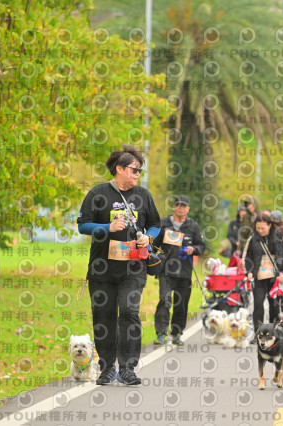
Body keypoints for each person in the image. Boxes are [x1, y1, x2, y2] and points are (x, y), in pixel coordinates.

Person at [77, 144, 161, 386]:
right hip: (102, 268)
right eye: (134, 170)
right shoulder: (98, 193)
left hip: (133, 268)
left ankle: (127, 368)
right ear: (120, 169)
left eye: (140, 171)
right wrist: (107, 227)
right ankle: (106, 368)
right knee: (104, 316)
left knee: (129, 312)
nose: (137, 175)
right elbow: (83, 225)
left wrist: (148, 237)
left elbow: (156, 224)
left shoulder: (143, 196)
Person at [153, 195, 206, 345]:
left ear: (188, 209)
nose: (181, 208)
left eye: (184, 206)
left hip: (184, 271)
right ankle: (161, 333)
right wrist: (154, 259)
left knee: (181, 304)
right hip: (166, 270)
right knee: (164, 300)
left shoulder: (193, 226)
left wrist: (193, 249)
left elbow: (201, 246)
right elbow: (154, 244)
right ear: (173, 207)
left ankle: (176, 333)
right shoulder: (164, 224)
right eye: (178, 205)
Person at [243, 214, 283, 337]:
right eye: (258, 228)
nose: (260, 231)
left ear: (269, 225)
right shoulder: (253, 238)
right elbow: (247, 257)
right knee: (258, 304)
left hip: (275, 277)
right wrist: (249, 272)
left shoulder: (279, 236)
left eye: (263, 228)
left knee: (274, 306)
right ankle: (258, 333)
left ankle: (272, 332)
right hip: (259, 277)